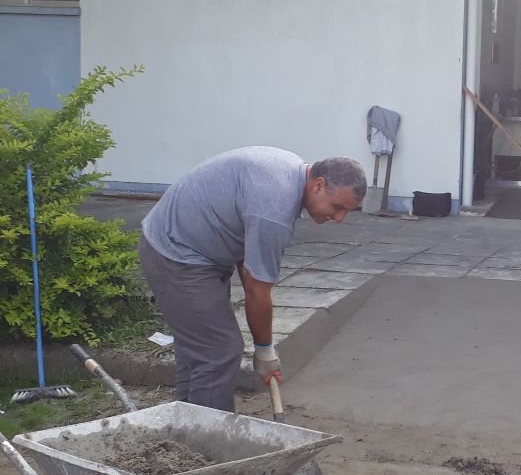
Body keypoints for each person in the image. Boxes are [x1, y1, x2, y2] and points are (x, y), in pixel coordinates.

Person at [138, 147, 367, 412]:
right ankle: (207, 434)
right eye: (337, 207)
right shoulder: (275, 210)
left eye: (348, 211)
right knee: (218, 350)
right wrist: (265, 351)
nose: (339, 218)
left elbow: (248, 253)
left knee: (200, 349)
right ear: (318, 184)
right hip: (176, 254)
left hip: (192, 248)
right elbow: (258, 292)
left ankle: (187, 424)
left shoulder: (291, 173)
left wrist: (263, 345)